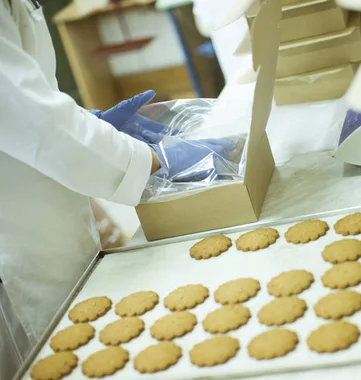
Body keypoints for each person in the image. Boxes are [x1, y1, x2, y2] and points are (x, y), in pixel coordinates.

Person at [0, 0, 226, 353]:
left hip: (47, 222)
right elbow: (29, 117)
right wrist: (153, 159)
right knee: (43, 370)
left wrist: (89, 123)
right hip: (15, 256)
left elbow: (29, 91)